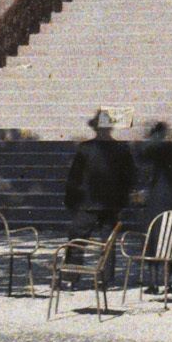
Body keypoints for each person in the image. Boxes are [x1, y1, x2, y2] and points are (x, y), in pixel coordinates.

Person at [63, 111, 135, 259]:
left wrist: (71, 201)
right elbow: (129, 179)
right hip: (110, 204)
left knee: (77, 241)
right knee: (108, 244)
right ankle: (106, 280)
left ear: (96, 128)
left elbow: (74, 177)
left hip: (87, 204)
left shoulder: (86, 148)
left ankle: (71, 277)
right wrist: (122, 202)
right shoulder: (121, 148)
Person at [132, 121, 172, 226]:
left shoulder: (161, 148)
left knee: (158, 226)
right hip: (169, 195)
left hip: (161, 197)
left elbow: (144, 154)